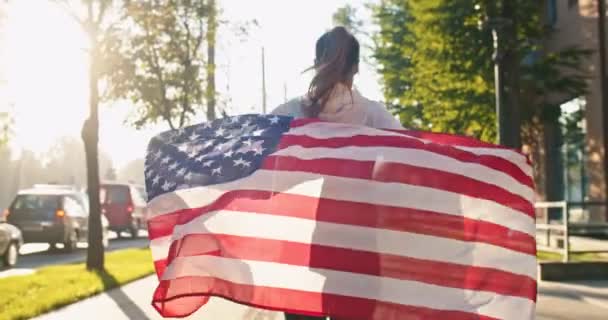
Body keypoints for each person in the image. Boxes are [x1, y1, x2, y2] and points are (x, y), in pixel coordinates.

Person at [271, 26, 401, 320]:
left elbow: (255, 144)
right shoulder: (373, 116)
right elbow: (414, 157)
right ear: (356, 68)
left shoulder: (291, 112)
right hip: (361, 242)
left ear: (317, 63)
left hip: (303, 240)